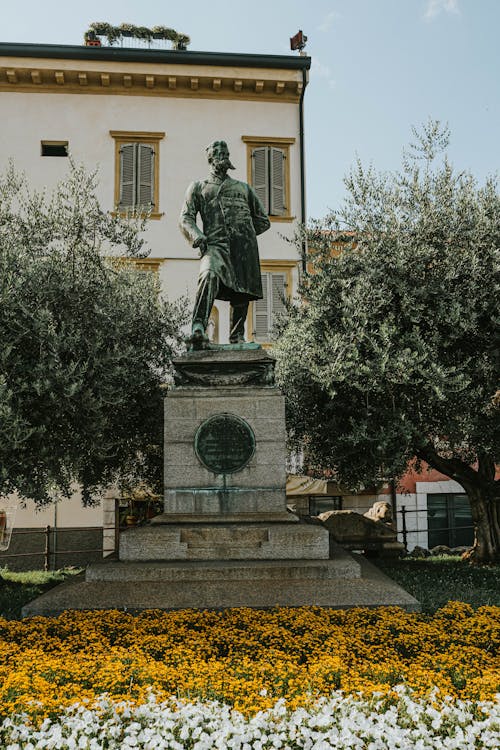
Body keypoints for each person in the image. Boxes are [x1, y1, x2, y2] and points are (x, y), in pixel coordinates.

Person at [179, 140, 270, 347]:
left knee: (242, 290)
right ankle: (198, 327)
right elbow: (185, 218)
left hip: (243, 248)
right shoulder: (198, 187)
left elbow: (263, 220)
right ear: (210, 158)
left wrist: (244, 234)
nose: (222, 154)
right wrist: (197, 236)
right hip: (214, 245)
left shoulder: (243, 188)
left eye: (225, 151)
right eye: (217, 151)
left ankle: (237, 337)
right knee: (208, 274)